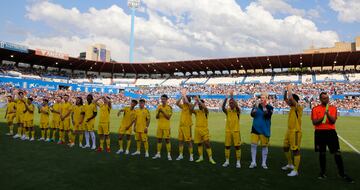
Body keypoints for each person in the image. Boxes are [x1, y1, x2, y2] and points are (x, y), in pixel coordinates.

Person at [311, 92, 354, 183]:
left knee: (337, 153)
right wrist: (322, 117)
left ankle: (341, 173)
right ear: (320, 99)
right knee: (322, 153)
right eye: (323, 98)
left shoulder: (333, 108)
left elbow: (333, 121)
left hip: (331, 133)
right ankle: (322, 173)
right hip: (319, 133)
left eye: (327, 98)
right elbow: (315, 122)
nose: (326, 100)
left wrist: (328, 114)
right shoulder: (315, 109)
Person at [282, 84, 303, 176]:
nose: (288, 102)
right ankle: (290, 164)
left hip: (295, 131)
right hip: (289, 131)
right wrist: (285, 90)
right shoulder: (291, 108)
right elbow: (285, 98)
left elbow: (290, 98)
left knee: (295, 150)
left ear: (294, 100)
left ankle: (295, 170)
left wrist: (289, 88)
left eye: (291, 100)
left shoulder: (298, 107)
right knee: (285, 147)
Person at [249, 92, 273, 169]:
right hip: (255, 128)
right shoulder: (256, 106)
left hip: (264, 130)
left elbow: (267, 115)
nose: (261, 99)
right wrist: (255, 108)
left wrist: (264, 106)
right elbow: (252, 115)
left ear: (266, 98)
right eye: (261, 98)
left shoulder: (270, 107)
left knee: (264, 146)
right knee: (253, 145)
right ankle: (253, 162)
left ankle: (263, 163)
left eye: (263, 98)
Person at [191, 96, 216, 164]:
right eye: (199, 105)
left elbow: (205, 108)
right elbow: (191, 110)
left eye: (200, 104)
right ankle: (201, 157)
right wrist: (195, 102)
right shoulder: (197, 111)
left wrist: (199, 100)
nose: (199, 105)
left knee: (207, 144)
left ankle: (210, 158)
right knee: (199, 144)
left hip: (204, 129)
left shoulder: (205, 112)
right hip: (197, 129)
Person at [221, 90, 242, 168]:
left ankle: (238, 162)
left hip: (236, 131)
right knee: (227, 146)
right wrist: (226, 98)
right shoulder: (228, 111)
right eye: (230, 103)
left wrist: (232, 97)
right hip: (228, 131)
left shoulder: (237, 111)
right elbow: (222, 107)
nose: (230, 104)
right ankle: (227, 161)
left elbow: (236, 105)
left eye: (232, 102)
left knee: (237, 146)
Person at [175, 89, 194, 161]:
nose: (183, 100)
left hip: (187, 126)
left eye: (184, 99)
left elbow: (187, 102)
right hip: (181, 126)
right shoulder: (183, 106)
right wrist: (181, 96)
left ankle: (191, 156)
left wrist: (184, 95)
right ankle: (181, 155)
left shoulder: (190, 106)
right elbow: (176, 103)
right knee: (180, 141)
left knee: (189, 141)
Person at [153, 94, 173, 160]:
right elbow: (156, 117)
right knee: (159, 140)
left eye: (164, 99)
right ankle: (158, 153)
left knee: (167, 140)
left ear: (167, 100)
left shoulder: (169, 107)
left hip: (166, 127)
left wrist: (162, 111)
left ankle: (169, 154)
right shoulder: (159, 107)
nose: (162, 100)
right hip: (159, 126)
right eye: (161, 99)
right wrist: (159, 112)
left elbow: (168, 117)